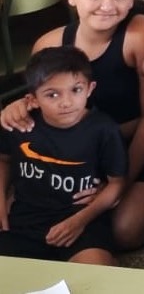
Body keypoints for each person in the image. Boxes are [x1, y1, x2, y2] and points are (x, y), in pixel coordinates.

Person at [0, 0, 144, 250]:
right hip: (79, 146)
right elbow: (42, 99)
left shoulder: (143, 33)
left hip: (137, 142)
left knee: (124, 230)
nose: (108, 5)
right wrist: (19, 106)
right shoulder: (48, 43)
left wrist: (118, 184)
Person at [0, 47, 126, 265]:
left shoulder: (104, 130)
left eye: (76, 90)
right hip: (25, 222)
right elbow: (3, 159)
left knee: (95, 270)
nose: (66, 102)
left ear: (90, 89)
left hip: (83, 222)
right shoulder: (19, 124)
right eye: (52, 94)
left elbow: (117, 184)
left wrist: (79, 221)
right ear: (33, 99)